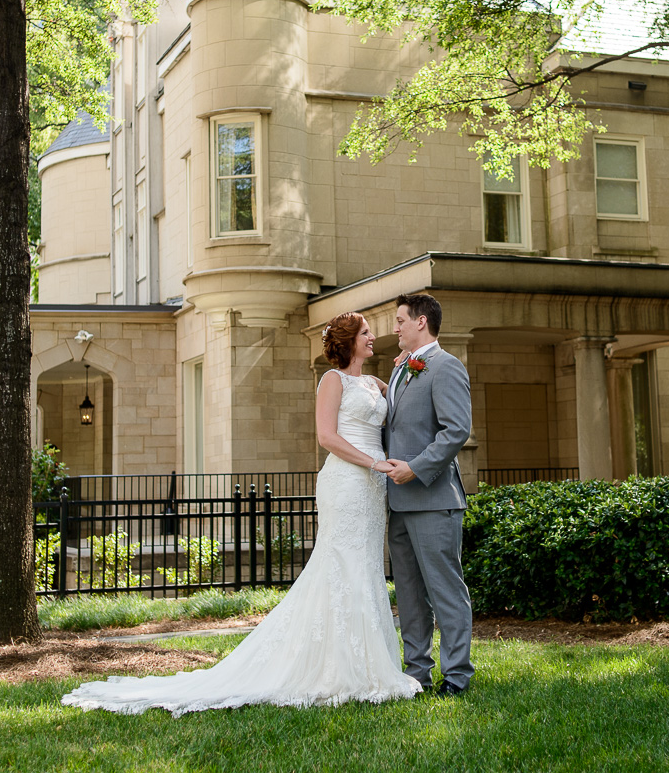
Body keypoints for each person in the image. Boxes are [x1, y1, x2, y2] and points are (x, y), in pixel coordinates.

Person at [61, 312, 421, 716]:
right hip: (348, 483)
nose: (374, 338)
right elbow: (326, 437)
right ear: (349, 340)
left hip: (374, 490)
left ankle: (370, 662)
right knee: (342, 564)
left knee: (367, 566)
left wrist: (408, 369)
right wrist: (373, 464)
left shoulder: (375, 383)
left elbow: (399, 417)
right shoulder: (331, 381)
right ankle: (344, 667)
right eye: (367, 333)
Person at [380, 292, 475, 696]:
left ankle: (456, 676)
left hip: (434, 501)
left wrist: (415, 469)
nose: (395, 327)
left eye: (400, 320)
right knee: (410, 596)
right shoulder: (401, 369)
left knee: (445, 591)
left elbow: (456, 430)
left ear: (421, 322)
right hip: (397, 504)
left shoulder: (446, 367)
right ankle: (417, 673)